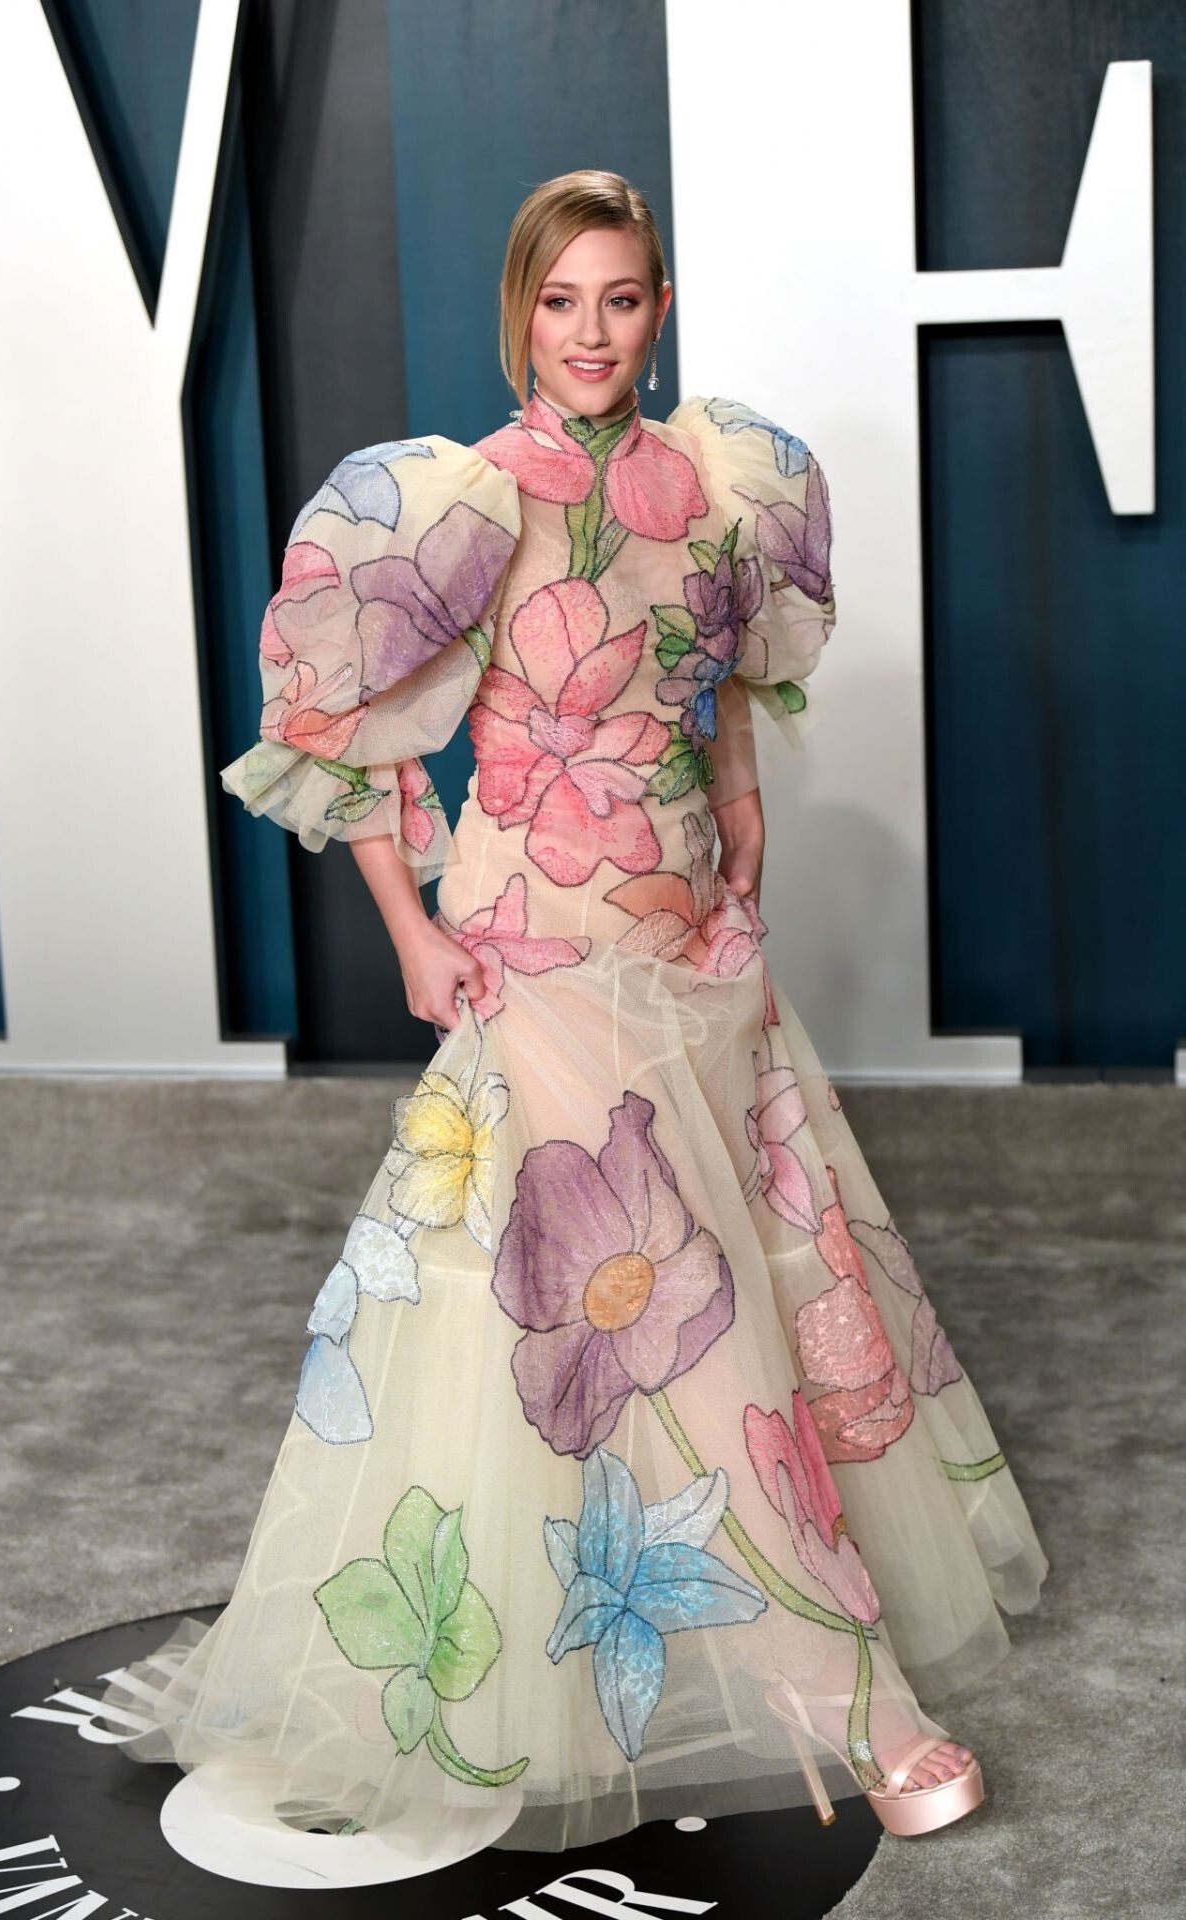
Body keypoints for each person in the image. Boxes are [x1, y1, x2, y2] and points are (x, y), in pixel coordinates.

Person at [104, 169, 1047, 1857]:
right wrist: (409, 927)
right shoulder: (464, 501)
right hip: (534, 935)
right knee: (672, 1305)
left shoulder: (721, 486)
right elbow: (351, 726)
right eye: (560, 302)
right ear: (520, 316)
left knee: (732, 1264)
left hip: (688, 923)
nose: (590, 333)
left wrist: (739, 815)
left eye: (619, 299)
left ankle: (629, 1629)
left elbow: (726, 682)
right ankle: (845, 1698)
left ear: (658, 310)